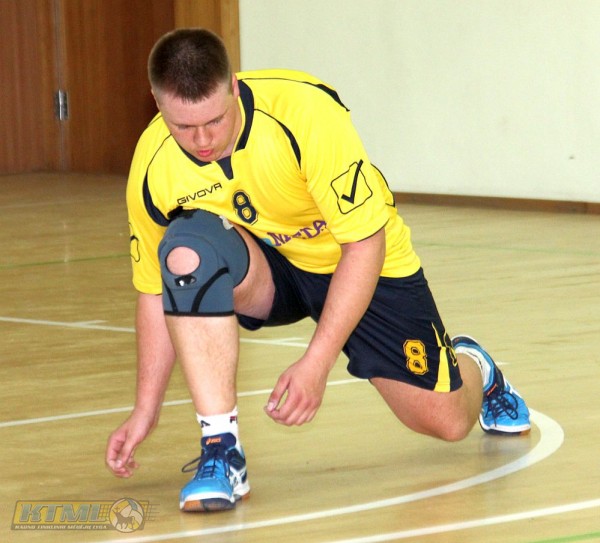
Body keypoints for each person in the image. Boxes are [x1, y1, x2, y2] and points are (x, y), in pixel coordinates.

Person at [105, 28, 531, 513]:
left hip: (359, 263)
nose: (201, 140)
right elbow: (151, 292)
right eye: (183, 126)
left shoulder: (305, 113)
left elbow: (365, 244)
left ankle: (475, 364)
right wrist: (145, 409)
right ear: (157, 103)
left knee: (446, 422)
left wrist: (316, 363)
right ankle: (221, 450)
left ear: (234, 87)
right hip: (270, 267)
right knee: (186, 254)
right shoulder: (153, 162)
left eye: (214, 120)